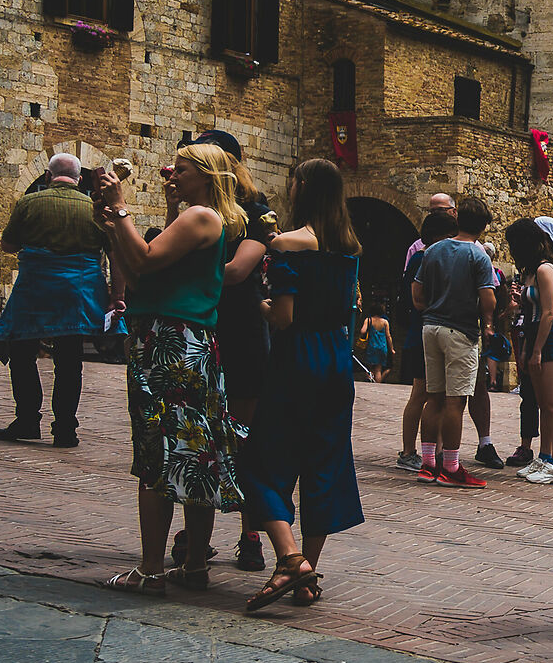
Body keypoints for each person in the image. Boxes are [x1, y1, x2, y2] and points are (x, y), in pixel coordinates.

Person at [91, 144, 247, 595]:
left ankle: (150, 569)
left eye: (181, 169)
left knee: (157, 450)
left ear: (205, 175)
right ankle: (194, 564)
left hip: (170, 342)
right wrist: (114, 227)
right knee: (194, 452)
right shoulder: (200, 217)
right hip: (186, 342)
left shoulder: (200, 217)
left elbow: (143, 260)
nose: (171, 175)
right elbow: (141, 274)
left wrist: (121, 207)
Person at [241, 158, 364, 614]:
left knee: (262, 460)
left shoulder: (287, 244)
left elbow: (284, 317)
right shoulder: (349, 247)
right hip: (336, 359)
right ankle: (307, 573)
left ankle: (290, 558)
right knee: (324, 464)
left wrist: (260, 305)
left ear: (304, 186)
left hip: (297, 357)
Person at [191, 130, 274, 574]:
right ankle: (196, 534)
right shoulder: (194, 211)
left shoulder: (257, 214)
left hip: (240, 330)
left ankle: (250, 532)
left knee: (245, 438)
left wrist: (179, 265)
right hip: (203, 326)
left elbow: (238, 272)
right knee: (199, 435)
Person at [0, 153, 111, 447]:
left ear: (47, 176)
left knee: (22, 353)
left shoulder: (29, 203)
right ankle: (65, 429)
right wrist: (116, 296)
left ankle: (27, 419)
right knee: (69, 360)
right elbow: (112, 250)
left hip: (35, 289)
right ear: (79, 180)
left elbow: (8, 244)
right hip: (76, 293)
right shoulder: (93, 208)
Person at [412, 198, 498, 489]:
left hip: (430, 327)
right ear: (483, 226)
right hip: (460, 330)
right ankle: (451, 467)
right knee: (455, 400)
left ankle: (428, 463)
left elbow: (417, 293)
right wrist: (488, 322)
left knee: (433, 396)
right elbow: (487, 298)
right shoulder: (478, 255)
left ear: (458, 219)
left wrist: (434, 307)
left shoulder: (433, 250)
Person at [502, 213, 553, 485]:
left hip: (550, 338)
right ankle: (545, 457)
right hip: (537, 336)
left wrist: (536, 349)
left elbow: (549, 313)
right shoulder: (533, 271)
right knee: (544, 404)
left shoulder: (545, 270)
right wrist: (528, 348)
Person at [392, 206, 447, 468]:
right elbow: (416, 299)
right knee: (421, 393)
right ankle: (408, 452)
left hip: (423, 333)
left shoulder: (423, 259)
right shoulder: (423, 259)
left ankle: (434, 451)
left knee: (434, 395)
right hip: (423, 334)